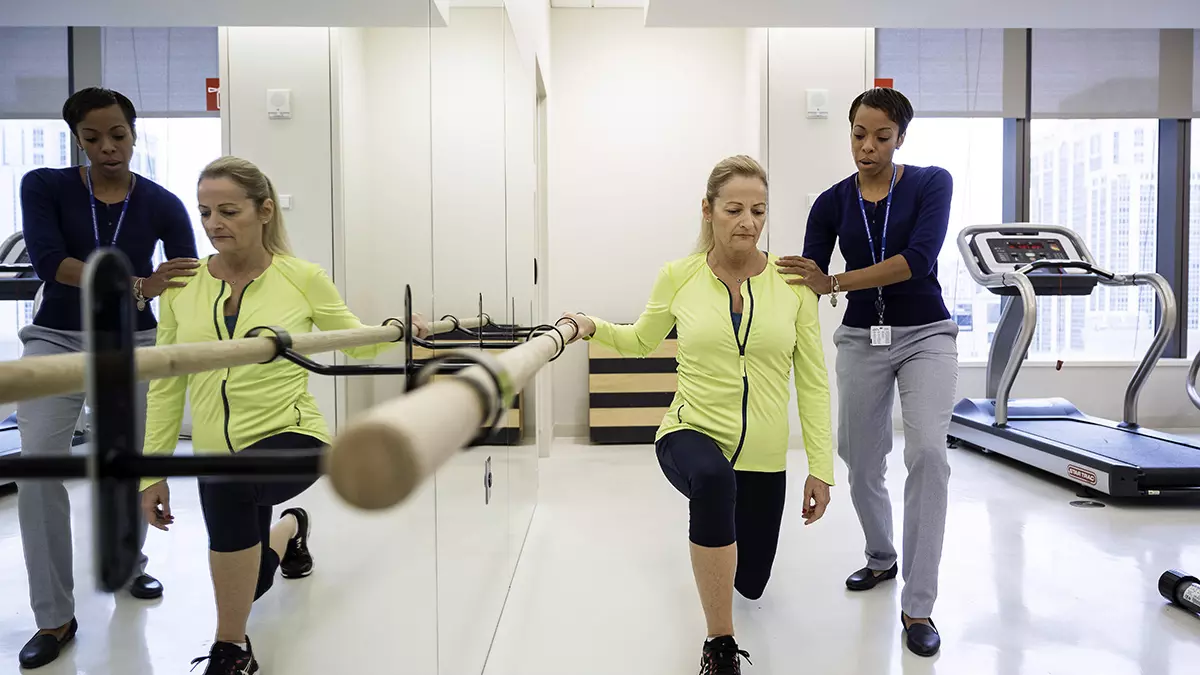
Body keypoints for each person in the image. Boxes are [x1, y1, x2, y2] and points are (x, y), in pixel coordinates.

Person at [138, 156, 430, 675]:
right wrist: (152, 470)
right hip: (216, 453)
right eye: (204, 212)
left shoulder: (301, 278)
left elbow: (355, 342)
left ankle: (232, 650)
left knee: (230, 496)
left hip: (294, 434)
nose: (213, 224)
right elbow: (165, 383)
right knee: (248, 584)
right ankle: (291, 530)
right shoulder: (183, 287)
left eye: (229, 211)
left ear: (265, 210)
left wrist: (402, 328)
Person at [562, 155, 834, 675]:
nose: (748, 222)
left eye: (759, 210)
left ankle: (722, 553)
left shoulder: (793, 285)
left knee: (750, 582)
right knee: (712, 480)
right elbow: (641, 341)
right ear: (707, 211)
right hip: (689, 431)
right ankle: (720, 645)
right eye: (734, 209)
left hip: (762, 454)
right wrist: (590, 324)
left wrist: (820, 465)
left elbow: (814, 380)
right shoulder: (679, 277)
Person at [15, 87, 199, 669]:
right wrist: (140, 284)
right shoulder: (44, 186)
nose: (108, 147)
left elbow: (189, 274)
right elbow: (49, 262)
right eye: (92, 138)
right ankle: (54, 616)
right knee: (37, 466)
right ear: (76, 138)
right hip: (54, 340)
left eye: (117, 134)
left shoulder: (163, 202)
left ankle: (127, 566)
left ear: (134, 132)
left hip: (132, 344)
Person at [777, 87, 957, 657]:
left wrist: (834, 282)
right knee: (858, 458)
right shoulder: (832, 202)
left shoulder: (931, 183)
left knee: (928, 453)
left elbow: (917, 262)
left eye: (881, 136)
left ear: (900, 136)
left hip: (927, 335)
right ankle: (881, 557)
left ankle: (919, 605)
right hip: (860, 339)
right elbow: (808, 276)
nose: (867, 146)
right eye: (858, 135)